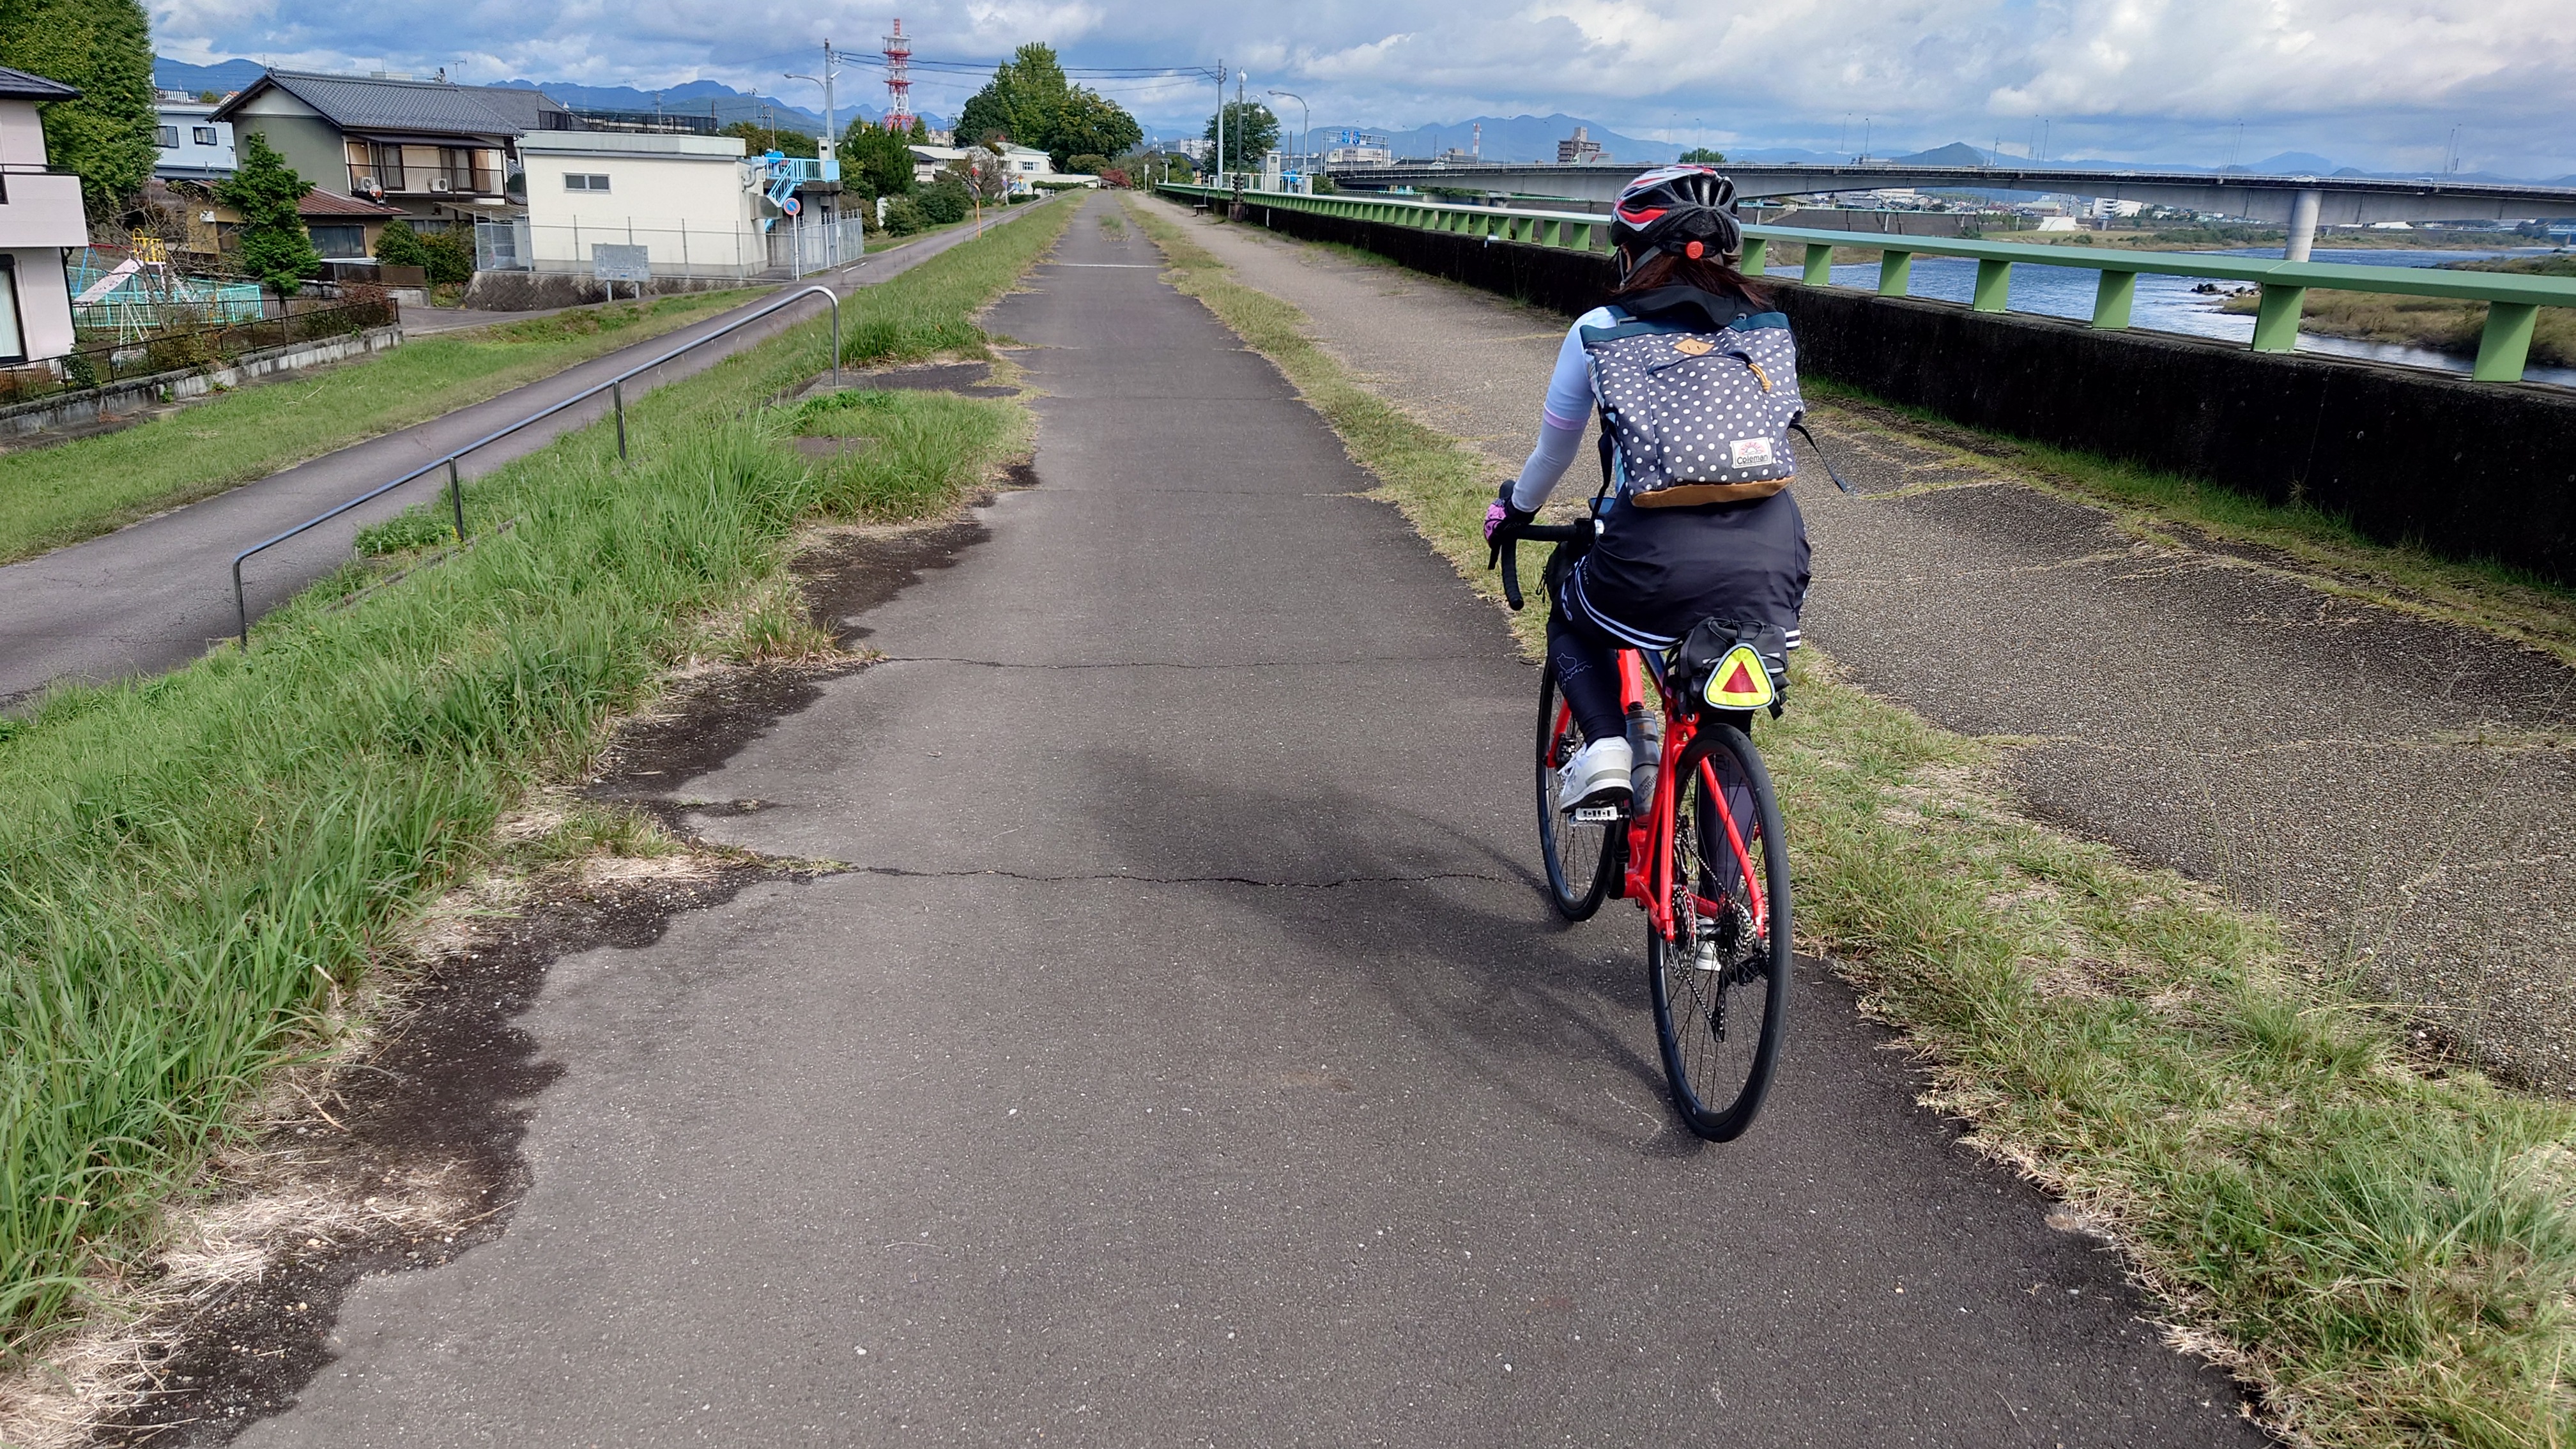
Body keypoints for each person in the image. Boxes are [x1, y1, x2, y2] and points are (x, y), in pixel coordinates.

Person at [1486, 166, 1814, 810]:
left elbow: (1554, 453)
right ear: (1725, 250)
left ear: (1629, 252)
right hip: (1772, 556)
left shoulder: (1600, 328)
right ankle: (1732, 875)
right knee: (1728, 718)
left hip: (1651, 556)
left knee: (1572, 613)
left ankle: (1607, 745)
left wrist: (1513, 511)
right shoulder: (1767, 326)